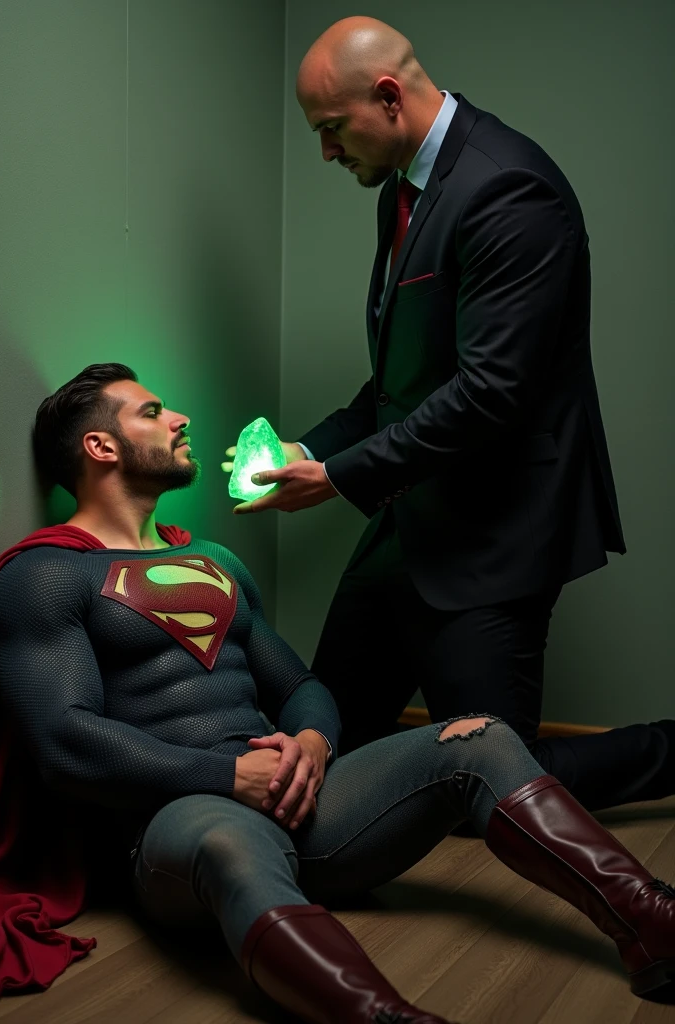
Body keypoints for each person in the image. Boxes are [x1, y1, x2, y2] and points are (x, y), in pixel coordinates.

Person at [0, 363, 675, 1024]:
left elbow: (302, 685)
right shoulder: (46, 575)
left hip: (303, 810)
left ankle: (653, 926)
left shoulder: (214, 561)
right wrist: (228, 776)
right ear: (100, 445)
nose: (180, 418)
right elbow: (66, 741)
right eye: (153, 411)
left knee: (483, 736)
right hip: (180, 826)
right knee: (230, 842)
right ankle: (385, 1017)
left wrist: (314, 742)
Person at [225, 16, 673, 812]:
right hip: (407, 519)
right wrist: (307, 447)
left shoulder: (510, 188)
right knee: (326, 740)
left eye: (332, 129)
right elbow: (405, 385)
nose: (326, 152)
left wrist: (333, 478)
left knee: (490, 792)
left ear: (389, 97)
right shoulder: (402, 184)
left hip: (494, 536)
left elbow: (490, 394)